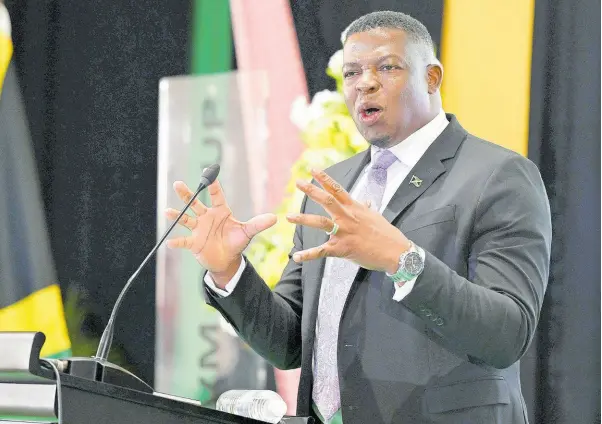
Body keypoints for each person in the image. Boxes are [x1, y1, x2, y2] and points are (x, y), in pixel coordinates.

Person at [166, 10, 551, 424]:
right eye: (351, 72)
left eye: (387, 67)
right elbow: (290, 344)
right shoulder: (331, 188)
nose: (364, 83)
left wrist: (401, 259)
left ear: (432, 78)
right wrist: (230, 273)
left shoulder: (497, 175)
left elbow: (508, 333)